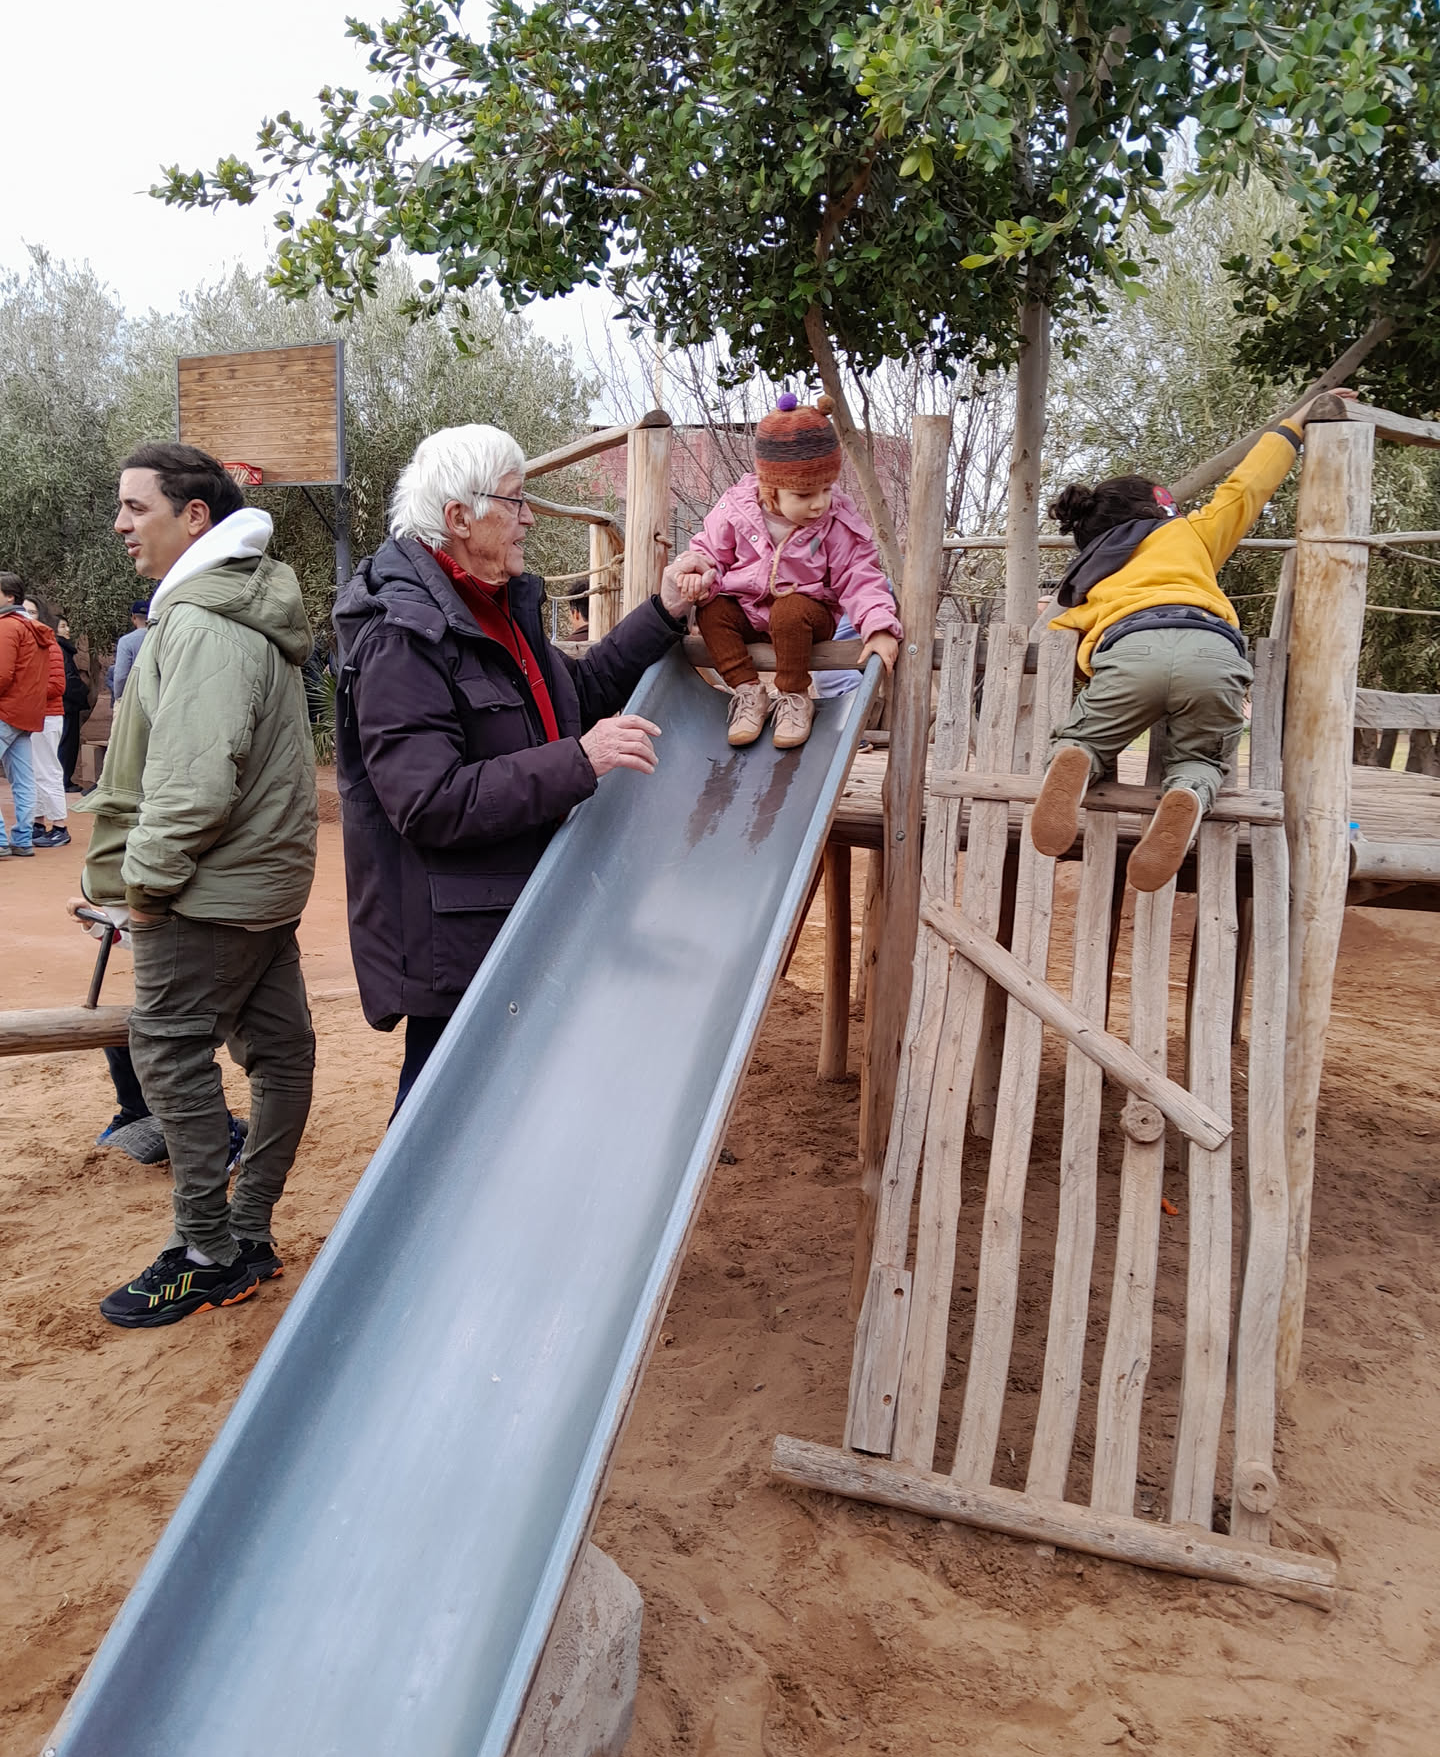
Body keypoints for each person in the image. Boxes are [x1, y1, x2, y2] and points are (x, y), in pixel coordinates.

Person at [333, 422, 704, 1114]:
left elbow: (578, 693)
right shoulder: (402, 638)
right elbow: (427, 801)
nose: (529, 516)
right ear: (459, 518)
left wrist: (664, 611)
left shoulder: (493, 608)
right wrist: (580, 759)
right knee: (444, 1123)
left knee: (511, 1111)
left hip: (513, 912)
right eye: (514, 500)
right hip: (460, 938)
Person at [76, 442, 319, 1329]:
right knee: (283, 1053)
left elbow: (194, 784)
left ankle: (209, 1251)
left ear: (195, 517)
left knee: (168, 1050)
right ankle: (246, 1233)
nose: (120, 523)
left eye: (135, 506)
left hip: (206, 895)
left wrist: (141, 889)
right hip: (263, 887)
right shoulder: (244, 609)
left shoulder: (203, 625)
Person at [1031, 391, 1352, 891]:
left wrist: (1082, 670)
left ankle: (1078, 758)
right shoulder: (1192, 535)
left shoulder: (1094, 570)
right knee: (1201, 758)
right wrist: (1295, 423)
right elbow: (1247, 487)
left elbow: (1061, 638)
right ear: (1159, 512)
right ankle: (1188, 791)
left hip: (1129, 648)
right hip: (1212, 650)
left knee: (1083, 740)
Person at [675, 393, 901, 751]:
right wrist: (695, 573)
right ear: (771, 489)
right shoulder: (737, 509)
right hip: (749, 612)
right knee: (712, 609)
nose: (819, 503)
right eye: (804, 494)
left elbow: (860, 575)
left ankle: (794, 696)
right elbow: (708, 552)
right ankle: (748, 691)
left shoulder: (835, 521)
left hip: (807, 616)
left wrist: (879, 627)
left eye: (826, 489)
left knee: (790, 610)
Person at [0, 574, 45, 859]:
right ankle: (23, 838)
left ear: (9, 597)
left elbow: (2, 674)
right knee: (24, 780)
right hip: (27, 713)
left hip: (5, 710)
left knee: (24, 779)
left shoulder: (6, 626)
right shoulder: (34, 627)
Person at [21, 593, 69, 847]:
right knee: (31, 772)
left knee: (48, 770)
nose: (27, 617)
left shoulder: (50, 645)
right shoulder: (23, 645)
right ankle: (38, 823)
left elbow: (57, 685)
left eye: (32, 612)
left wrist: (24, 691)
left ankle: (60, 826)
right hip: (28, 717)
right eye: (23, 611)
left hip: (47, 716)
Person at [55, 616, 90, 792]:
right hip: (67, 705)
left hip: (65, 704)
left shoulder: (64, 649)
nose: (67, 629)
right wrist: (84, 690)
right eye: (63, 626)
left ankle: (63, 779)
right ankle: (63, 781)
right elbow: (68, 679)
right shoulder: (61, 650)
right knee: (66, 743)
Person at [111, 598, 150, 702]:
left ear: (133, 617)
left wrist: (118, 696)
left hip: (133, 699)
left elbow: (121, 675)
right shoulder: (161, 638)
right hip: (157, 699)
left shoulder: (126, 641)